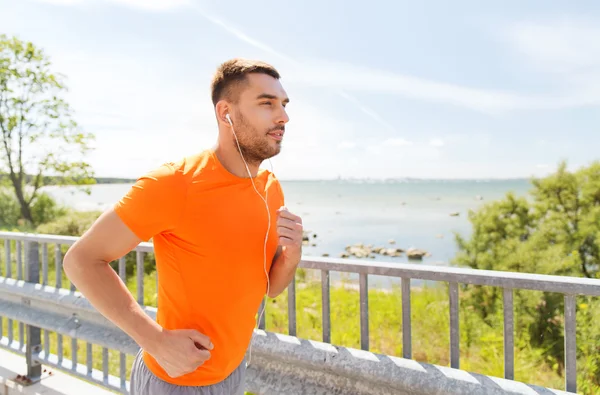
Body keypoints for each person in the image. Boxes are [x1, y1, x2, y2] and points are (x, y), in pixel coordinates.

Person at [63, 58, 303, 395]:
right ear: (226, 113)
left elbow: (270, 287)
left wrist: (291, 257)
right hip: (176, 383)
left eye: (284, 104)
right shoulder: (175, 182)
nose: (283, 117)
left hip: (233, 372)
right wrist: (155, 340)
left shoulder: (269, 186)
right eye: (267, 103)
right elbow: (81, 260)